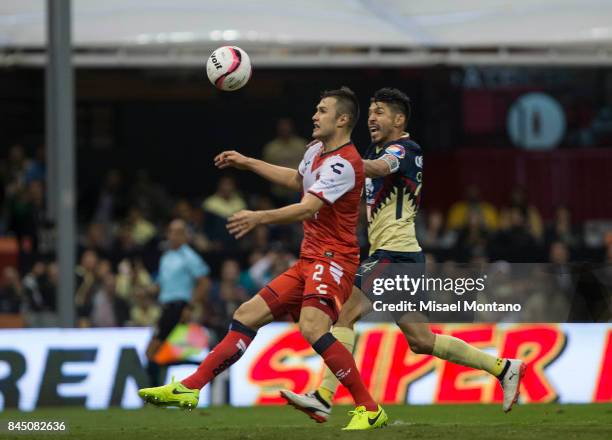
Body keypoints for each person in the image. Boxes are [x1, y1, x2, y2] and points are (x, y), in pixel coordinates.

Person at [138, 87, 388, 431]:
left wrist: (258, 217)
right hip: (308, 259)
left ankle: (369, 408)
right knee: (246, 314)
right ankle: (190, 388)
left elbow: (307, 206)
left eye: (322, 110)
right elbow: (296, 181)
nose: (314, 116)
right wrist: (247, 161)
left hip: (334, 259)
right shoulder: (316, 150)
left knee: (313, 327)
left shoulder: (345, 163)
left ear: (342, 119)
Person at [280, 88, 525, 422]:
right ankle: (504, 367)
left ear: (399, 119)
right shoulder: (373, 149)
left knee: (344, 314)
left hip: (393, 255)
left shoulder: (405, 149)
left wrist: (337, 161)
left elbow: (380, 168)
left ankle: (324, 395)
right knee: (421, 341)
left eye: (379, 111)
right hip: (402, 255)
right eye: (370, 112)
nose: (371, 118)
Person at [143, 219, 211, 386]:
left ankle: (152, 393)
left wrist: (190, 306)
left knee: (152, 350)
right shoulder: (166, 257)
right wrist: (148, 291)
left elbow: (204, 282)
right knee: (165, 352)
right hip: (166, 306)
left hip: (178, 307)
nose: (174, 236)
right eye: (172, 232)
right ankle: (158, 390)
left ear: (185, 235)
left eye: (179, 232)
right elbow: (161, 284)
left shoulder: (189, 256)